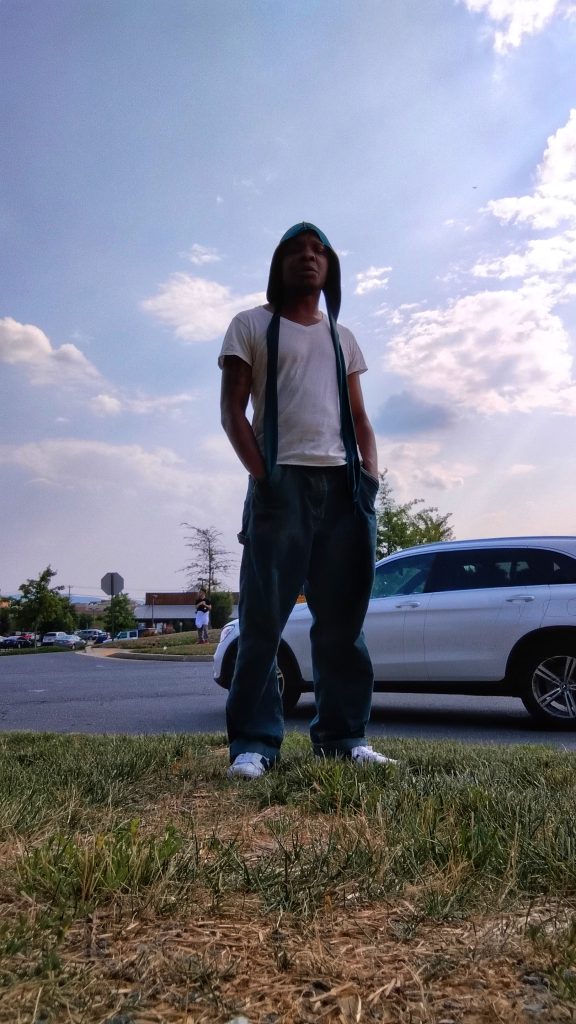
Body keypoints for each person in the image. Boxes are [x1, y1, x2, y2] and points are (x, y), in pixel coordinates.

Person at [219, 222, 397, 779]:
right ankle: (254, 744)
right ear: (278, 264)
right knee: (262, 622)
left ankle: (343, 738)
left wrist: (369, 477)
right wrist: (264, 476)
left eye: (318, 251)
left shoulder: (343, 338)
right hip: (281, 485)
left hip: (345, 490)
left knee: (342, 624)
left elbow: (360, 417)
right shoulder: (250, 324)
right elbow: (232, 412)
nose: (308, 257)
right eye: (296, 250)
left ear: (331, 267)